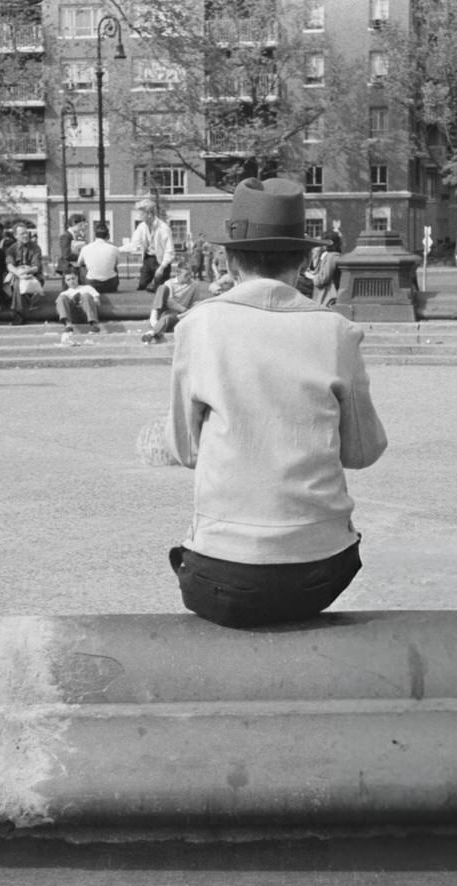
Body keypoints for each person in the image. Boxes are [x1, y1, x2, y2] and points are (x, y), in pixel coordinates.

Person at [163, 177, 388, 629]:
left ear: (228, 258)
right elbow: (363, 453)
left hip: (223, 572)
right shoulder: (336, 331)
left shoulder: (199, 326)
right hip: (319, 570)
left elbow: (185, 451)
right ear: (305, 260)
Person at [142, 259, 199, 343]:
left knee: (167, 318)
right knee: (162, 288)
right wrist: (184, 309)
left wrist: (191, 311)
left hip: (179, 315)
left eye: (190, 274)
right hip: (167, 311)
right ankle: (153, 316)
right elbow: (169, 303)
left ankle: (151, 333)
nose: (189, 277)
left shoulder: (194, 285)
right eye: (186, 275)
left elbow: (195, 302)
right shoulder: (169, 283)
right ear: (178, 274)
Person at [130, 197, 174, 292]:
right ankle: (151, 282)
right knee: (142, 286)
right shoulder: (141, 227)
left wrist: (162, 268)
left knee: (158, 289)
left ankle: (158, 282)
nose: (139, 216)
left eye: (141, 213)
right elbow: (134, 244)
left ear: (149, 214)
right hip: (148, 259)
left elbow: (170, 252)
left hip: (161, 261)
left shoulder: (164, 229)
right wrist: (115, 249)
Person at [4, 226, 44, 325]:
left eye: (27, 233)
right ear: (15, 236)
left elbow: (36, 267)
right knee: (17, 283)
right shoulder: (11, 249)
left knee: (19, 284)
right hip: (17, 274)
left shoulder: (35, 248)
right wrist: (19, 273)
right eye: (22, 234)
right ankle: (20, 313)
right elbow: (9, 265)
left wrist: (27, 271)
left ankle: (17, 313)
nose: (26, 235)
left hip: (33, 274)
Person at [77, 222, 121, 293]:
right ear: (108, 236)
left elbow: (79, 263)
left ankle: (83, 286)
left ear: (95, 236)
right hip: (111, 284)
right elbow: (117, 263)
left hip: (92, 284)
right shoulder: (114, 248)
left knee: (82, 266)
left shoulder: (85, 248)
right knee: (113, 265)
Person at [311, 229, 344, 306]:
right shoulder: (336, 255)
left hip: (328, 296)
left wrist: (313, 278)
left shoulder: (330, 257)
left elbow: (323, 278)